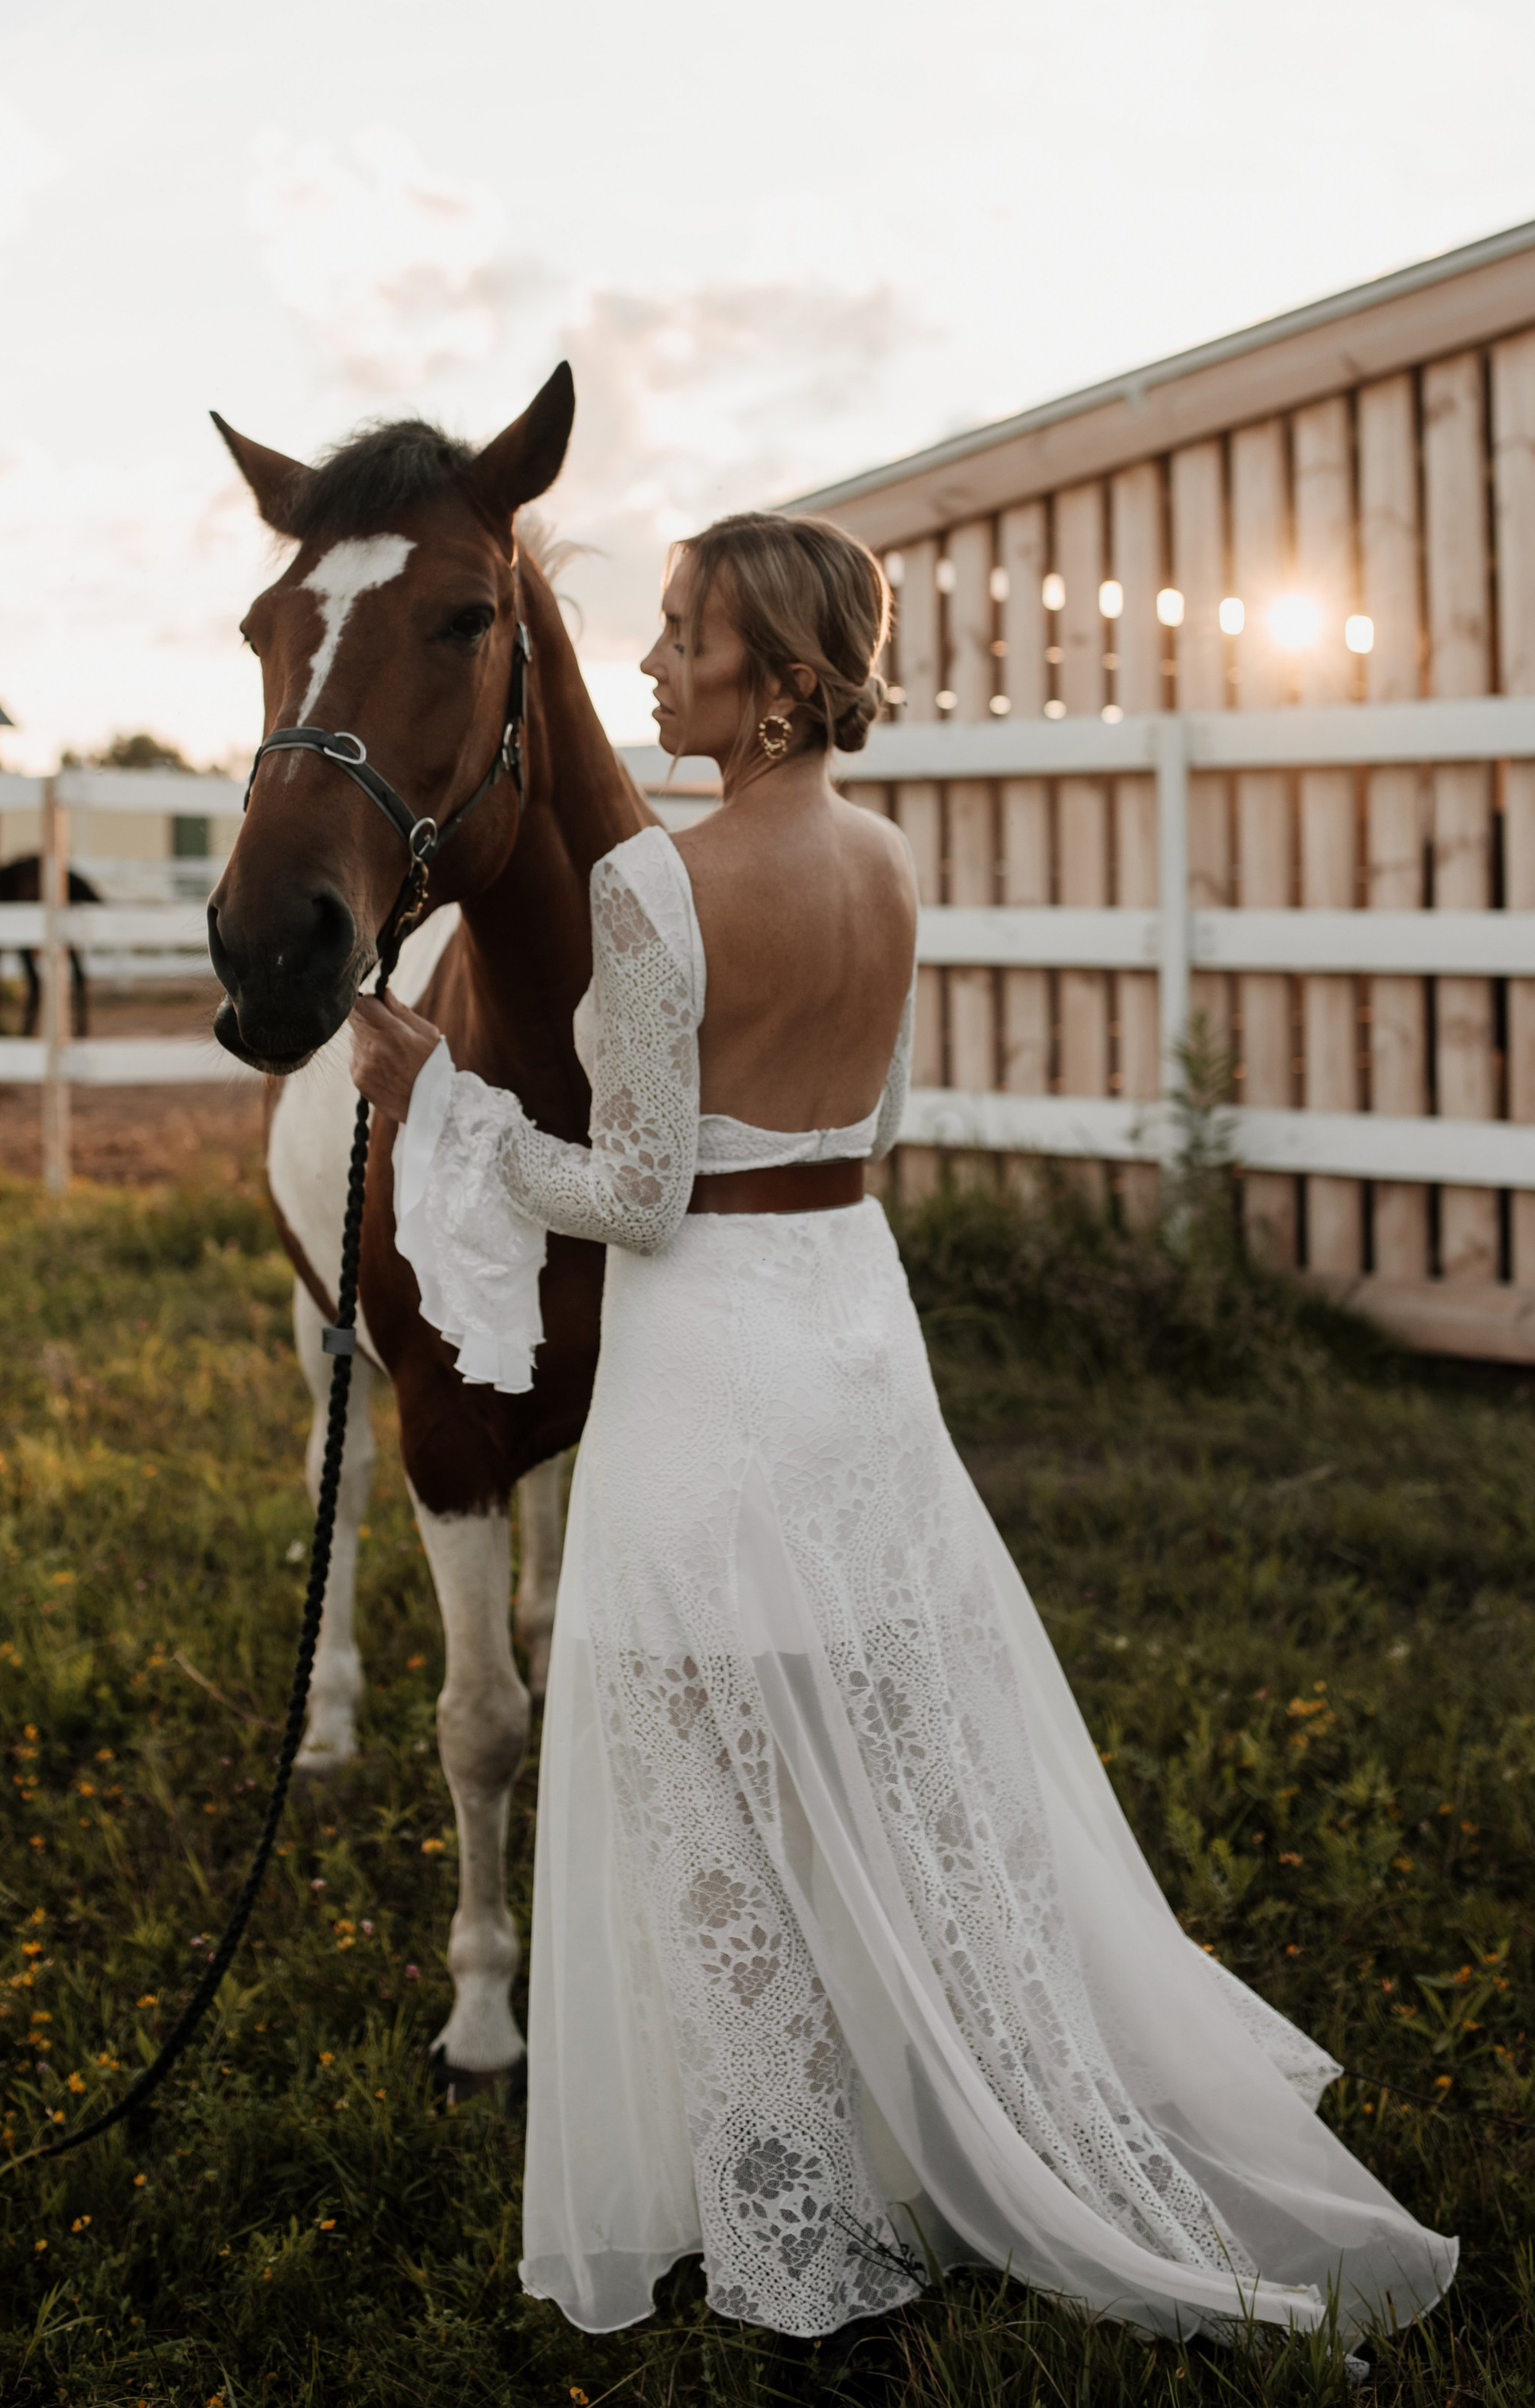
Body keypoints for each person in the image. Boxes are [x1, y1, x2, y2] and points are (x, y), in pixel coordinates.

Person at [346, 511, 1456, 2355]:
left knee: (713, 1798)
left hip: (708, 1368)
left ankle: (797, 2237)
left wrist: (433, 1099)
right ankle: (926, 2119)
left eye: (684, 634)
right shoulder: (885, 860)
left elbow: (629, 1194)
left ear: (774, 689)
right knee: (879, 1763)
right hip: (856, 1343)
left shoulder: (650, 890)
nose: (644, 664)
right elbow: (860, 1125)